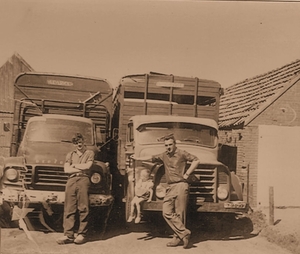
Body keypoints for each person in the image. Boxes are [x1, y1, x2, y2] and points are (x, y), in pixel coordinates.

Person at [132, 133, 199, 249]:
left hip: (181, 185)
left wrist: (187, 173)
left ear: (175, 144)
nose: (168, 147)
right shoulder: (164, 155)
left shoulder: (182, 153)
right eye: (166, 145)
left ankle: (177, 238)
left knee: (180, 213)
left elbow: (196, 160)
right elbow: (151, 157)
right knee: (166, 212)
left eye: (170, 144)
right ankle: (184, 233)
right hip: (170, 187)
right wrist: (137, 158)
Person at [57, 133, 95, 245]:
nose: (79, 144)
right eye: (76, 142)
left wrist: (73, 166)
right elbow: (66, 170)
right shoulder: (70, 155)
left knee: (83, 207)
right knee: (69, 207)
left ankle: (82, 234)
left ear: (84, 142)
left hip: (83, 180)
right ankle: (68, 235)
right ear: (74, 144)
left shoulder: (89, 153)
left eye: (81, 142)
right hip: (71, 180)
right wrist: (78, 168)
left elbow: (88, 166)